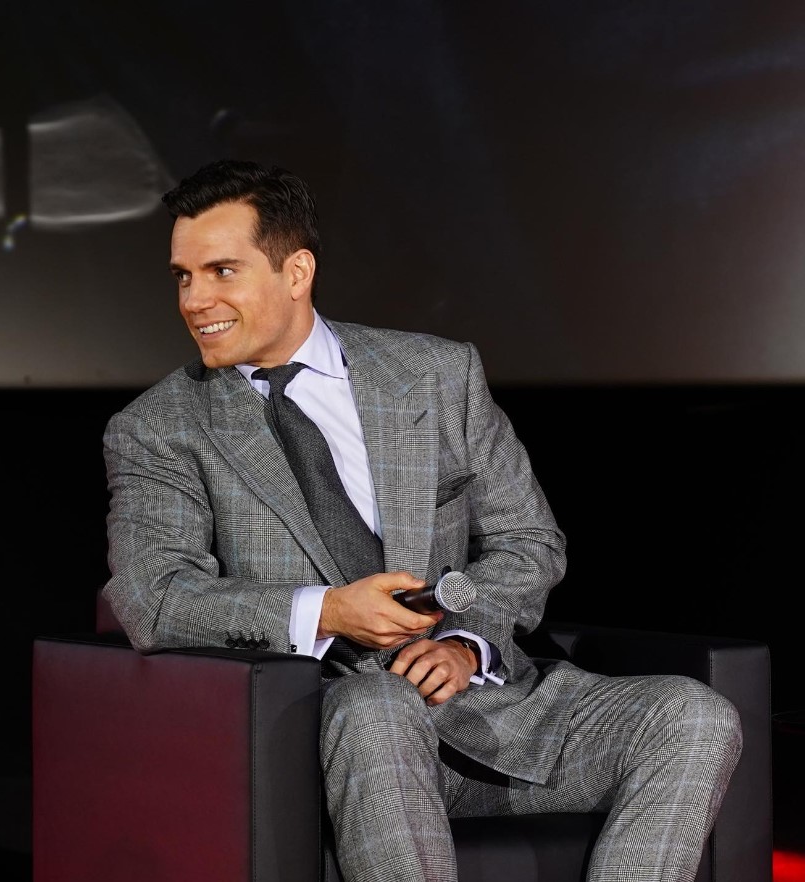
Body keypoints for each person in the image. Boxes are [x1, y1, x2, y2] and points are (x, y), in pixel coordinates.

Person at [102, 158, 742, 882]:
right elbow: (153, 597)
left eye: (221, 271)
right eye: (182, 277)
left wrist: (466, 643)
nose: (195, 300)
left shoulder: (436, 375)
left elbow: (527, 542)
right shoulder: (160, 427)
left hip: (488, 707)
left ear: (296, 271)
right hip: (328, 723)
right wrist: (328, 612)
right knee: (378, 707)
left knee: (692, 715)